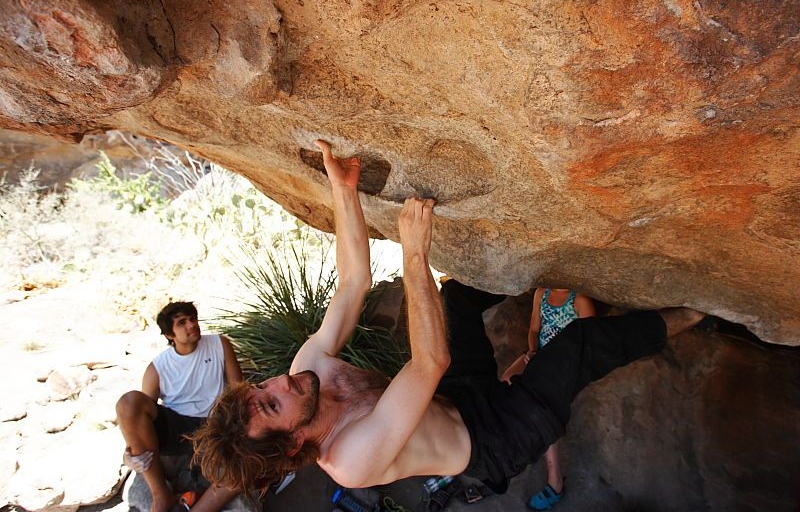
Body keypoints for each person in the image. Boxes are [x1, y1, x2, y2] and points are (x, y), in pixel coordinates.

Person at [191, 140, 707, 496]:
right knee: (580, 345)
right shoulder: (351, 460)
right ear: (295, 441)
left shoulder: (309, 371)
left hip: (457, 395)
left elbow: (352, 284)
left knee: (457, 301)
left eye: (262, 388)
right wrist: (414, 256)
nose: (281, 381)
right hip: (497, 437)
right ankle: (693, 311)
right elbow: (428, 362)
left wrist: (344, 191)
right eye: (274, 403)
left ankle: (552, 261)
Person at [115, 301, 244, 512]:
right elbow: (142, 417)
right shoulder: (158, 368)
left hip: (216, 423)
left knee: (240, 470)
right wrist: (129, 454)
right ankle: (160, 495)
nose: (191, 325)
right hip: (176, 426)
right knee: (129, 402)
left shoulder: (219, 344)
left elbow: (239, 390)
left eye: (192, 319)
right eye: (182, 323)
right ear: (169, 335)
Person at [501, 288, 595, 510]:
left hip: (564, 364)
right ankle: (516, 436)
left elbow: (591, 342)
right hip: (540, 355)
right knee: (507, 379)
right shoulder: (542, 294)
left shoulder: (579, 300)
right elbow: (534, 330)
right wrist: (532, 351)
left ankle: (555, 483)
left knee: (544, 408)